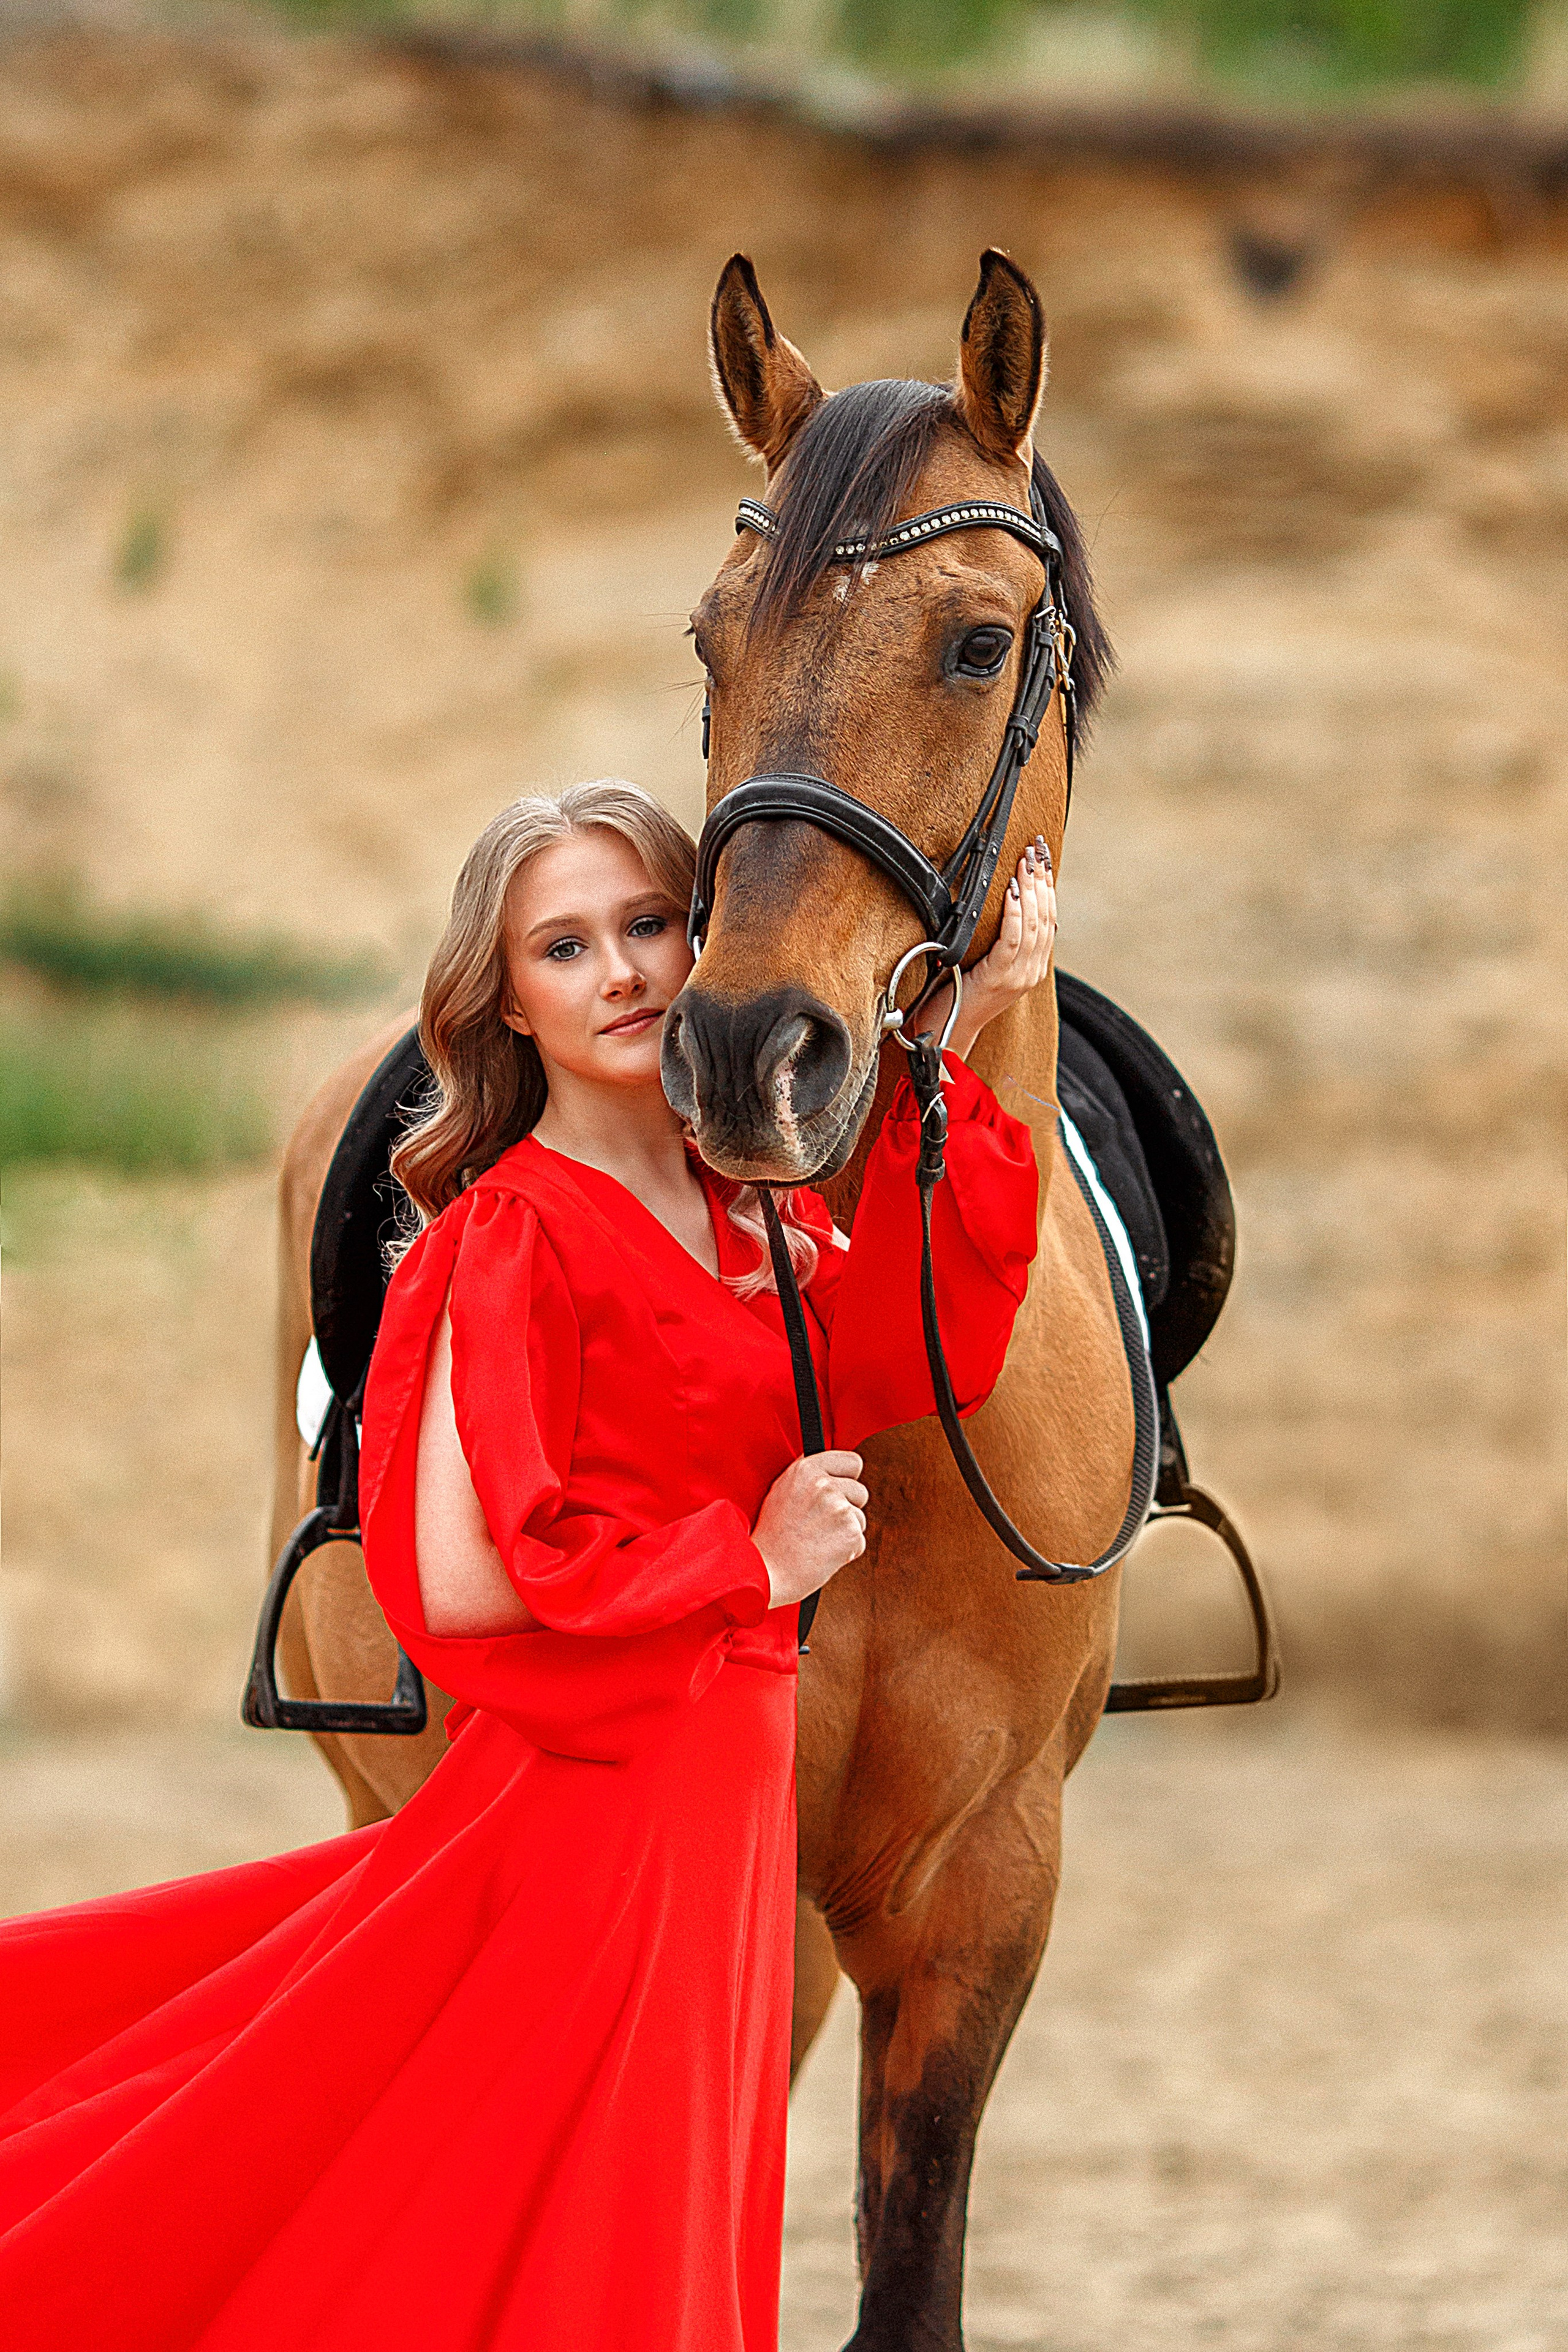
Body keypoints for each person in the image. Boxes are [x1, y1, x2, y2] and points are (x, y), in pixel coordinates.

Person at [0, 779, 1055, 2350]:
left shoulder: (750, 1217)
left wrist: (981, 1010)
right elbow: (467, 1581)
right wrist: (748, 1567)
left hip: (720, 1805)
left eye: (648, 925)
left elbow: (909, 1354)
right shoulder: (507, 1237)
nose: (623, 972)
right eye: (564, 946)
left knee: (666, 2248)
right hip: (603, 1813)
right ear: (504, 999)